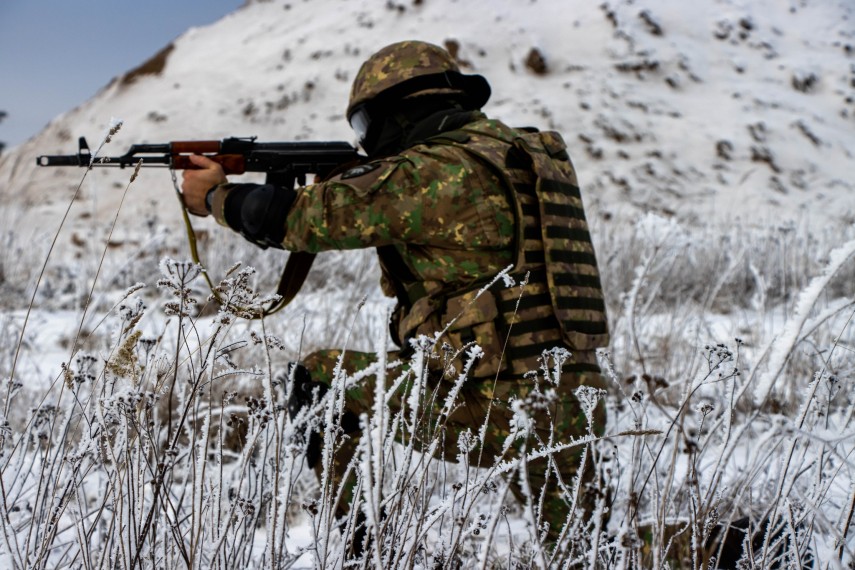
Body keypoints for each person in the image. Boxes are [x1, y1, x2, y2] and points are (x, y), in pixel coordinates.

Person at [181, 40, 610, 544]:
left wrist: (215, 196)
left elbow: (301, 220)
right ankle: (722, 545)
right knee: (589, 551)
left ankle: (365, 547)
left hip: (494, 407)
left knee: (321, 380)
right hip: (574, 399)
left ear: (397, 110)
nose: (366, 144)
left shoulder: (436, 170)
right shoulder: (519, 158)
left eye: (366, 127)